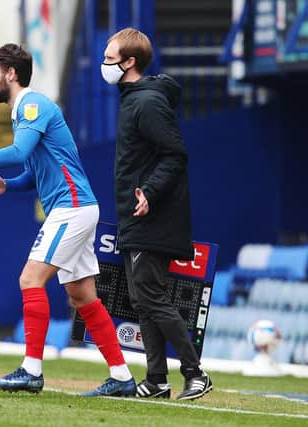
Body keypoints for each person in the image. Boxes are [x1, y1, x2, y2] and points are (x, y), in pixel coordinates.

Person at [0, 43, 136, 397]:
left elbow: (18, 153)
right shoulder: (24, 110)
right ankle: (121, 377)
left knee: (30, 279)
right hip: (74, 207)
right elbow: (31, 172)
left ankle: (31, 370)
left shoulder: (32, 104)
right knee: (83, 295)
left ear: (10, 74)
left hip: (71, 207)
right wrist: (5, 186)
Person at [101, 28, 212, 400]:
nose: (105, 63)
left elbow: (175, 154)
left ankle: (196, 373)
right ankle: (156, 380)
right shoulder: (134, 100)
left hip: (153, 216)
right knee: (142, 298)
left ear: (129, 62)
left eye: (110, 57)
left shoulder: (146, 102)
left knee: (150, 297)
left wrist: (149, 191)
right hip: (137, 215)